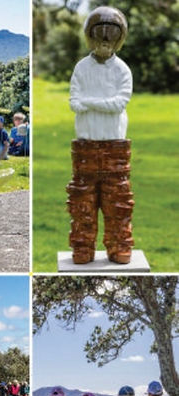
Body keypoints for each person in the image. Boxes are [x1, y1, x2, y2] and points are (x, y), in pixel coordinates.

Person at [67, 6, 134, 264]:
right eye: (100, 35)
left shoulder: (122, 70)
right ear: (91, 37)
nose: (105, 41)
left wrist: (90, 101)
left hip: (115, 147)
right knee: (82, 202)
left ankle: (119, 246)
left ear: (119, 38)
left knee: (118, 202)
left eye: (111, 35)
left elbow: (119, 103)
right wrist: (101, 102)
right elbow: (75, 102)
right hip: (85, 147)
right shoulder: (81, 67)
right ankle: (83, 247)